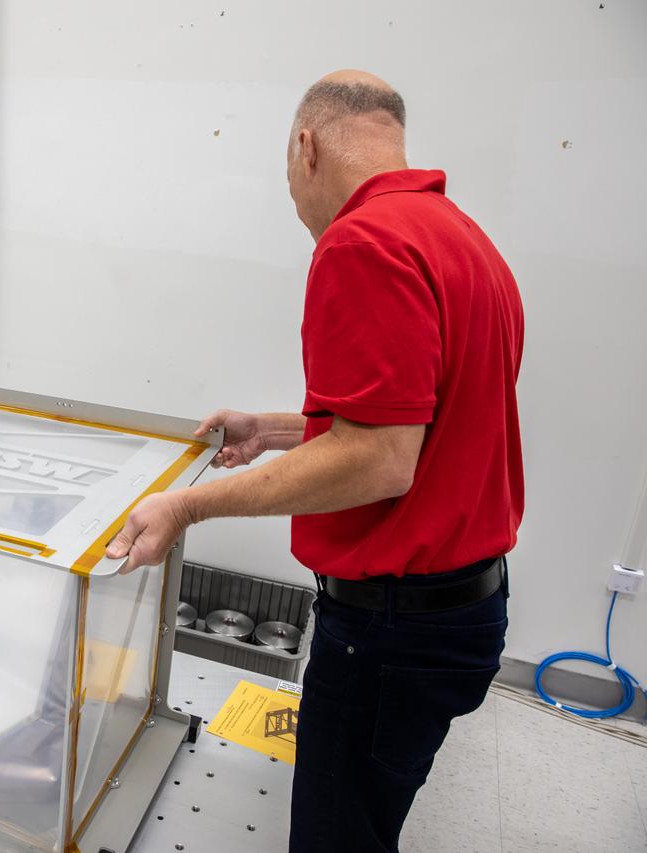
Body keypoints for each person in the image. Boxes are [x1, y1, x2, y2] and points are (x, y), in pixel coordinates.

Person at [107, 70, 524, 852]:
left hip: (390, 629)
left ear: (307, 146)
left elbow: (380, 460)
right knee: (371, 808)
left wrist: (187, 505)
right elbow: (412, 421)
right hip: (462, 609)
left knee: (338, 834)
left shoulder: (363, 242)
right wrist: (271, 428)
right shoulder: (463, 239)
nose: (295, 199)